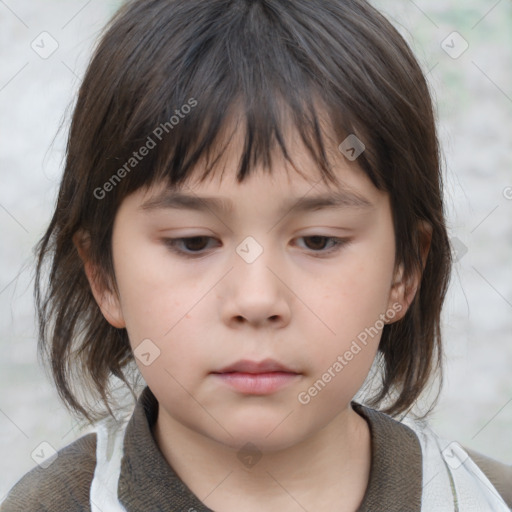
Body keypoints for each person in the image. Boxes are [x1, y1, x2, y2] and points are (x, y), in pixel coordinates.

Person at [1, 0, 511, 510]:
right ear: (104, 277)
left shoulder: (486, 498)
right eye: (193, 242)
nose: (257, 299)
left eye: (318, 240)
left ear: (404, 271)